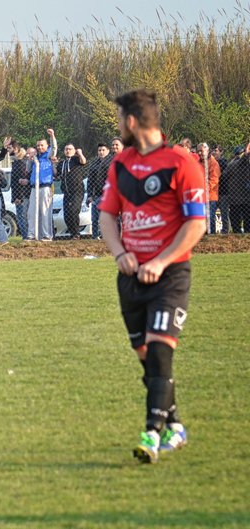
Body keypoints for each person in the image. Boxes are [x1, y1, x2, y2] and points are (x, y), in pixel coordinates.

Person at [99, 89, 207, 464]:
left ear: (131, 122)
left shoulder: (181, 162)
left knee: (160, 352)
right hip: (130, 278)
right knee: (147, 359)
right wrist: (120, 253)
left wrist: (160, 262)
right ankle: (175, 426)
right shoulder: (121, 164)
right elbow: (107, 216)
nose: (118, 126)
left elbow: (196, 223)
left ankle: (151, 434)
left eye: (119, 120)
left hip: (169, 276)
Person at [27, 129, 58, 241]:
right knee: (32, 212)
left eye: (42, 145)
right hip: (34, 187)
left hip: (45, 187)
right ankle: (32, 234)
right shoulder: (36, 157)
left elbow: (54, 148)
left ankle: (46, 235)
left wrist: (52, 136)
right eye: (38, 145)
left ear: (46, 145)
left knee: (45, 211)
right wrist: (30, 159)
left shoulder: (49, 155)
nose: (40, 147)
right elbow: (28, 169)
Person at [56, 143, 87, 239]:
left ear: (74, 150)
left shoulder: (76, 160)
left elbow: (83, 162)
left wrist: (80, 153)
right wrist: (53, 163)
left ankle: (76, 233)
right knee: (67, 214)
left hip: (77, 191)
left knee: (74, 211)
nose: (68, 151)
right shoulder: (62, 163)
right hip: (66, 192)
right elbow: (56, 174)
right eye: (66, 149)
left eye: (70, 149)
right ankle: (72, 233)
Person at [86, 143, 111, 240]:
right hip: (96, 195)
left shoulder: (111, 162)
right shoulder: (94, 164)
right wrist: (89, 195)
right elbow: (90, 181)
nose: (101, 152)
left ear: (108, 151)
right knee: (94, 218)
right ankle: (95, 236)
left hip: (108, 194)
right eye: (99, 150)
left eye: (103, 150)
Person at [196, 143, 221, 234]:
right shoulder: (199, 162)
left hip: (210, 196)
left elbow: (214, 180)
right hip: (200, 195)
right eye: (198, 151)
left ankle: (211, 236)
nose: (199, 153)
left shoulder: (213, 163)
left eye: (201, 151)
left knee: (210, 218)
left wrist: (204, 189)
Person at [11, 144, 31, 240]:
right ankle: (25, 236)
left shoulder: (20, 165)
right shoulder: (17, 164)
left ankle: (26, 236)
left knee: (22, 217)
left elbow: (20, 183)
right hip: (18, 195)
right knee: (21, 217)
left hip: (21, 196)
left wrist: (19, 197)